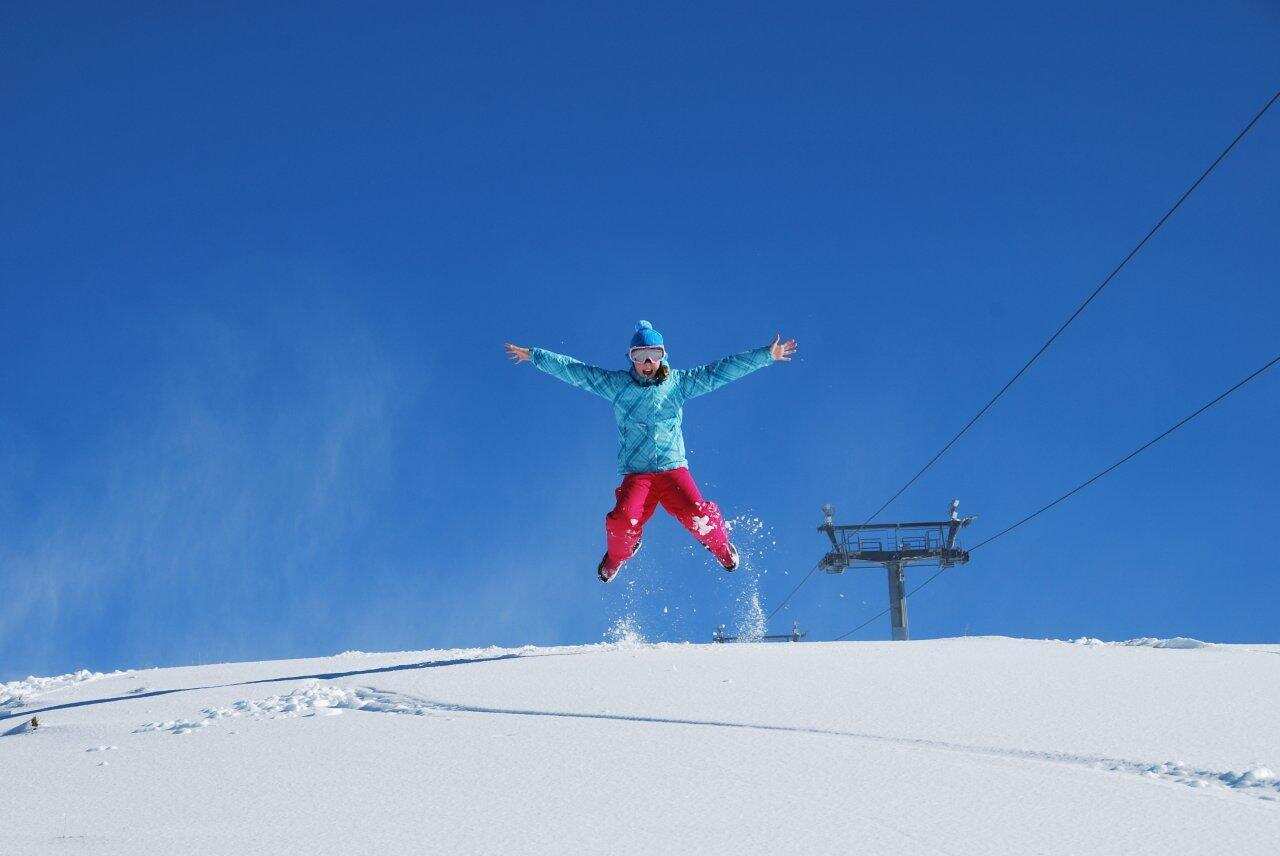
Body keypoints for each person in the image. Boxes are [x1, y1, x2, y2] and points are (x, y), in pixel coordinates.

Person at [505, 321, 798, 582]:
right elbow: (576, 372)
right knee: (623, 521)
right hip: (638, 475)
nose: (647, 363)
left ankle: (723, 548)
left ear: (663, 356)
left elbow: (718, 372)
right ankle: (616, 558)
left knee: (698, 515)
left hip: (673, 470)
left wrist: (765, 355)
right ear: (631, 358)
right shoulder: (617, 386)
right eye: (640, 356)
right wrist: (535, 355)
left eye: (654, 355)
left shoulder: (678, 384)